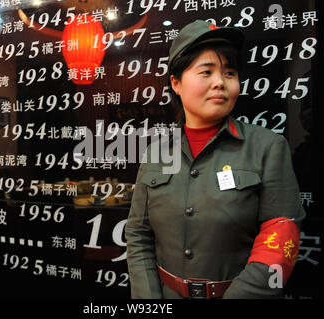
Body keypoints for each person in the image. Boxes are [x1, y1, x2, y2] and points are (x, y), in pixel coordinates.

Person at [125, 20, 306, 299]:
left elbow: (281, 236)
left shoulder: (268, 147)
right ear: (176, 83)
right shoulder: (156, 153)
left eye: (230, 73)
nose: (220, 82)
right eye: (206, 72)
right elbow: (138, 234)